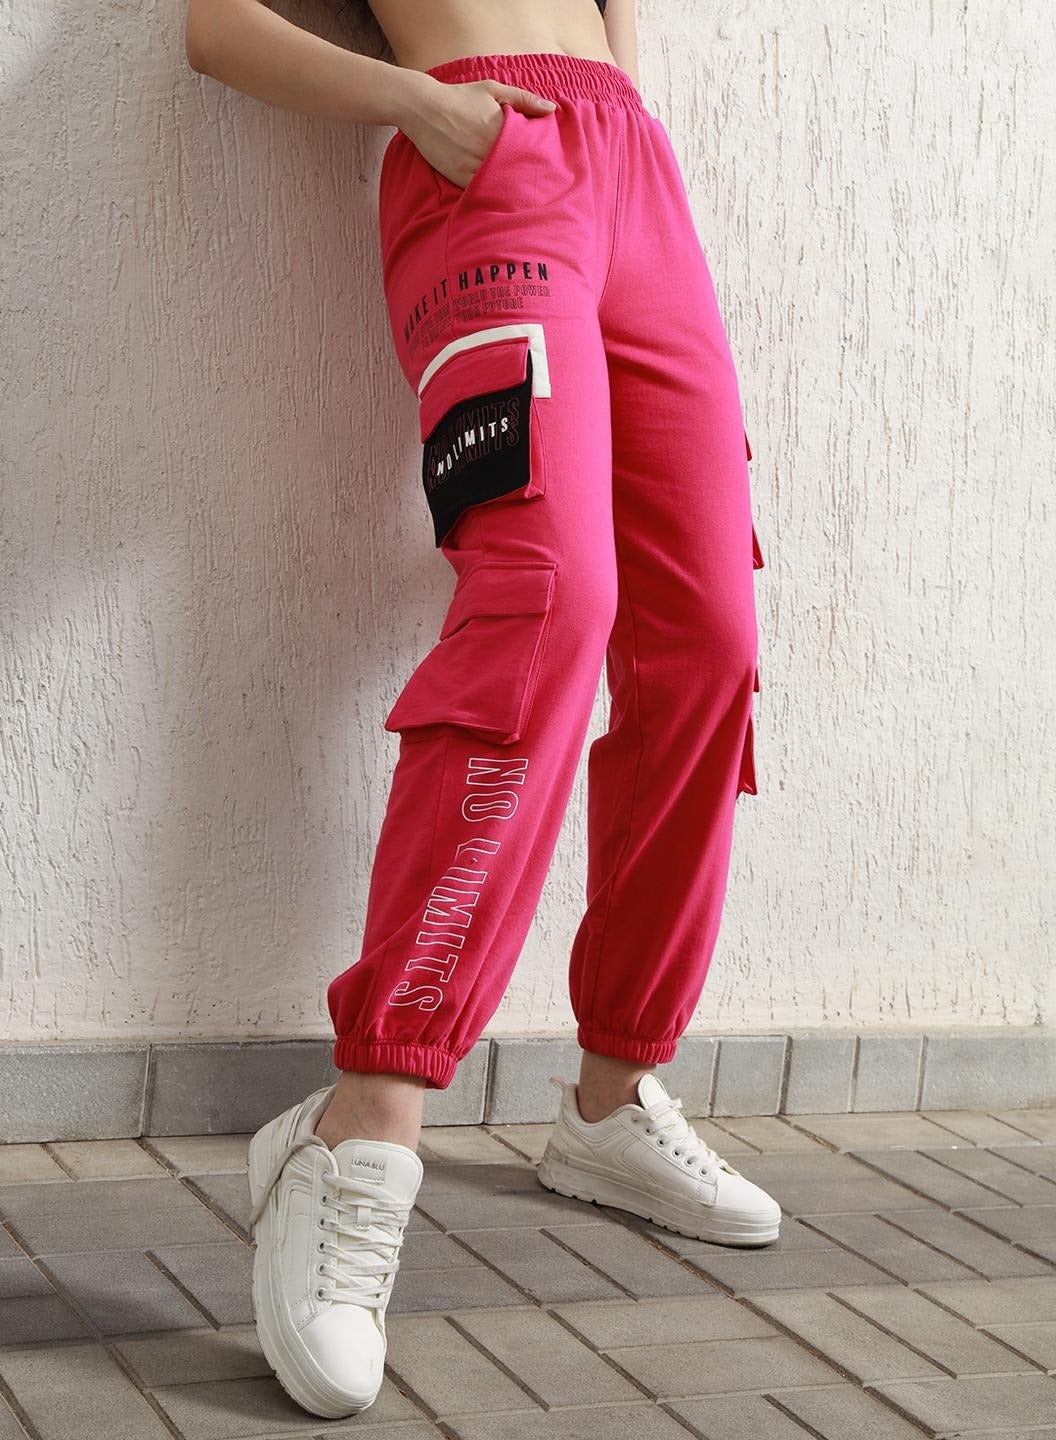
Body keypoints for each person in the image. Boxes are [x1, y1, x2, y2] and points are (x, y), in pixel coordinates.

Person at [185, 0, 780, 1419]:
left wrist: (616, 110)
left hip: (635, 175)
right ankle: (362, 1123)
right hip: (486, 162)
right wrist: (426, 106)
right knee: (548, 598)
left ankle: (612, 1095)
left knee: (705, 639)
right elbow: (214, 25)